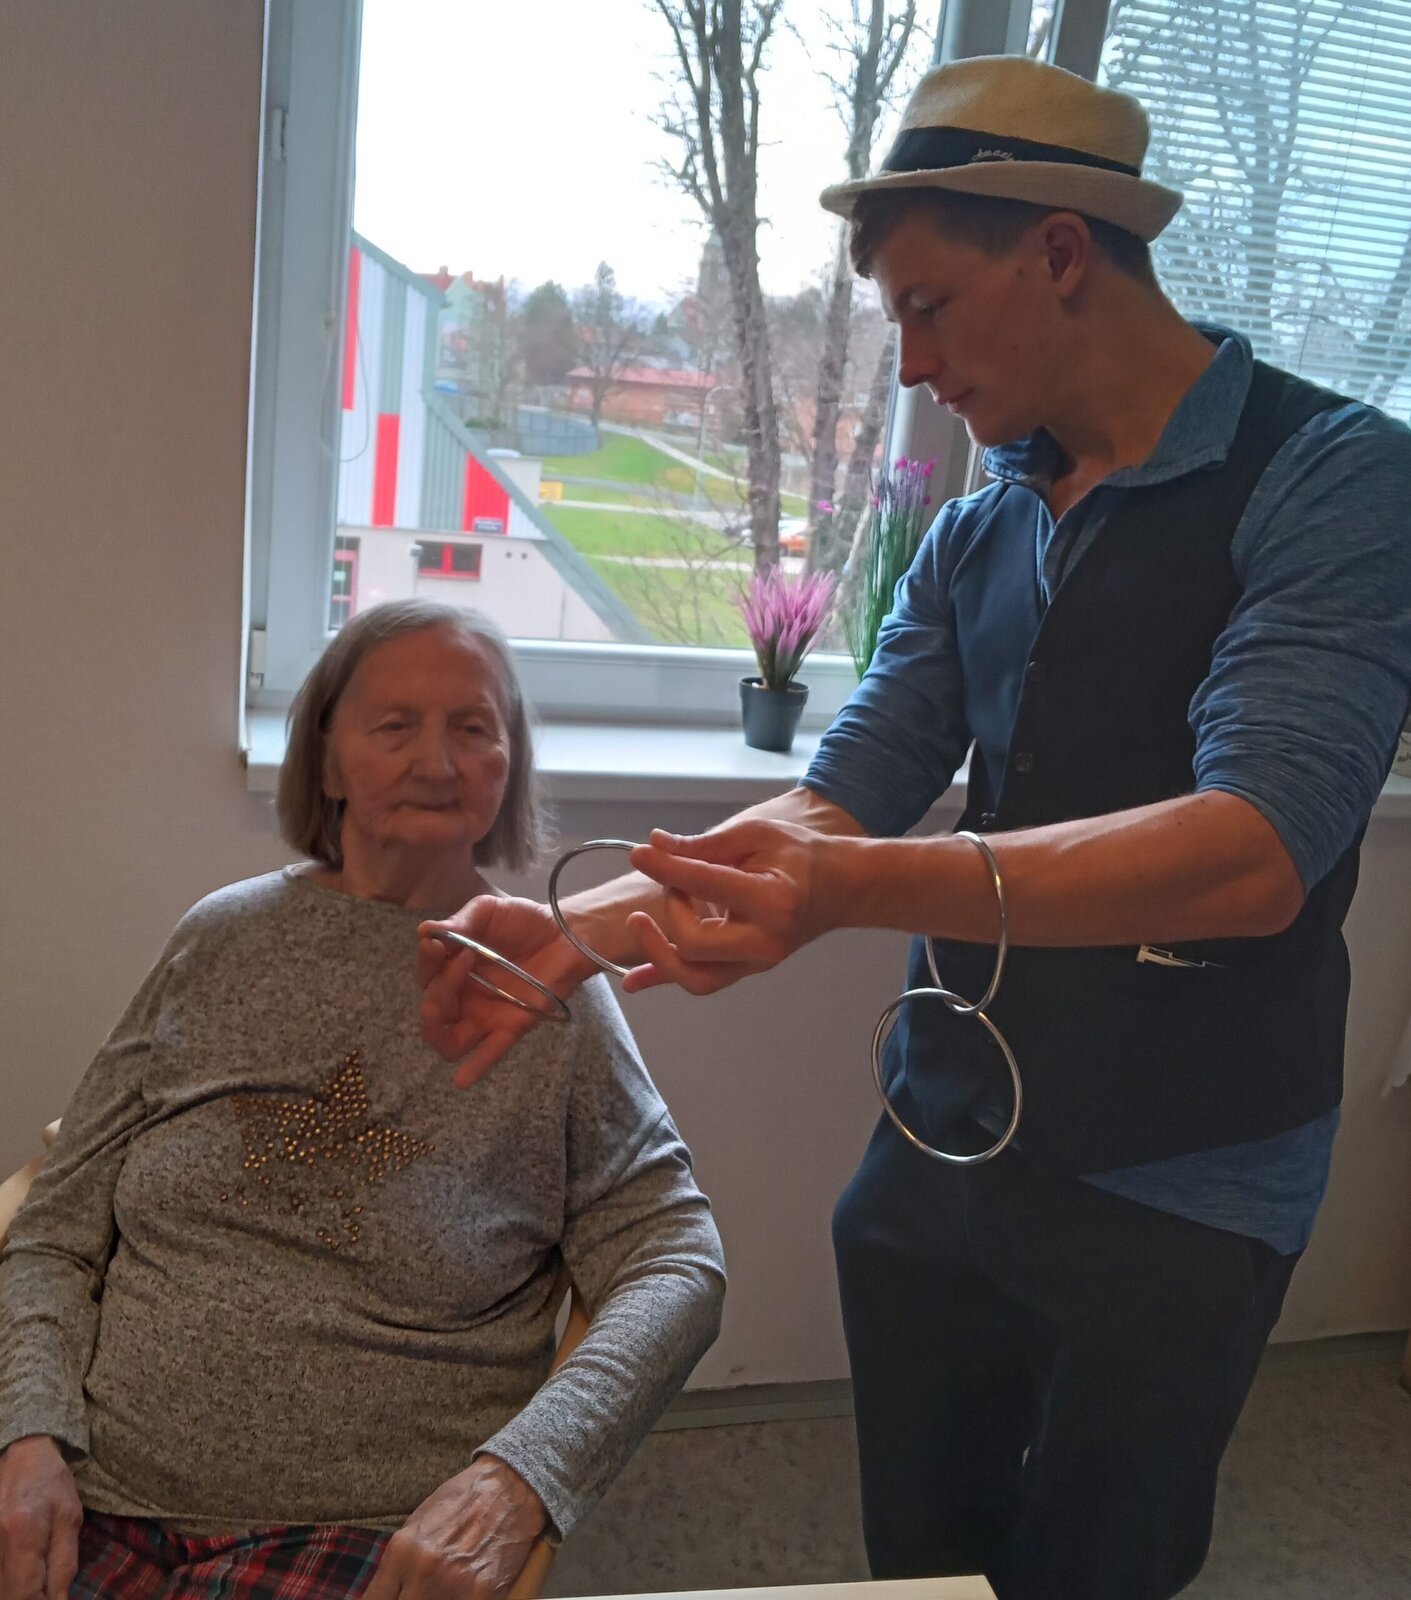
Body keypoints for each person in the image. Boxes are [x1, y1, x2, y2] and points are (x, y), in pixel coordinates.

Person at [415, 54, 1411, 1600]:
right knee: (922, 1560)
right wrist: (577, 930)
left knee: (1099, 1564)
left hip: (1184, 1176)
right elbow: (840, 795)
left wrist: (843, 887)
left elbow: (1254, 852)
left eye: (927, 307)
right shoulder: (973, 527)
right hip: (942, 1137)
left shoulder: (1336, 481)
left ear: (1059, 252)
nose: (911, 363)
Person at [0, 600, 725, 1600]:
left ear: (508, 763)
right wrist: (27, 1432)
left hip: (355, 1527)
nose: (437, 760)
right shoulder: (220, 941)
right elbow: (54, 1230)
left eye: (473, 727)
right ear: (328, 759)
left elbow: (674, 1258)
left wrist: (521, 1477)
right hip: (83, 1487)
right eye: (394, 725)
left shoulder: (544, 984)